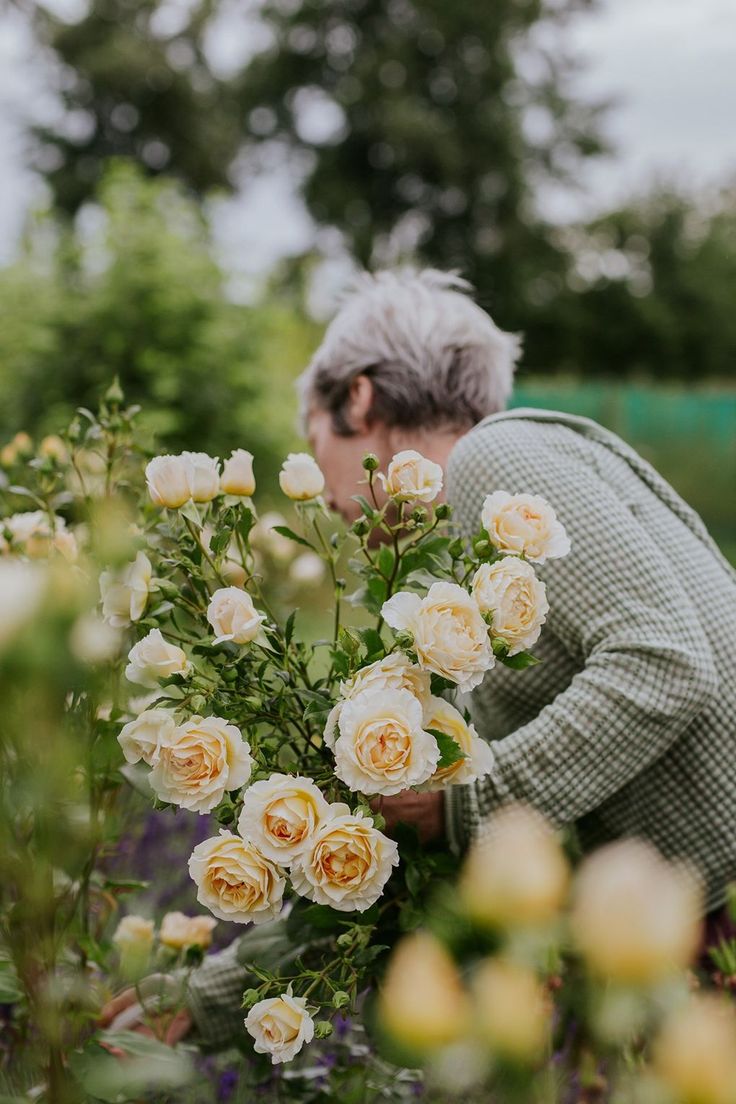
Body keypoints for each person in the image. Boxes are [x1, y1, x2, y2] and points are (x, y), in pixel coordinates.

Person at [101, 268, 736, 1048]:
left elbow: (663, 660)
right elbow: (423, 861)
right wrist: (209, 1000)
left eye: (316, 441)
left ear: (360, 400)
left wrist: (468, 804)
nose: (329, 499)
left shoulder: (492, 463)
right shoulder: (462, 575)